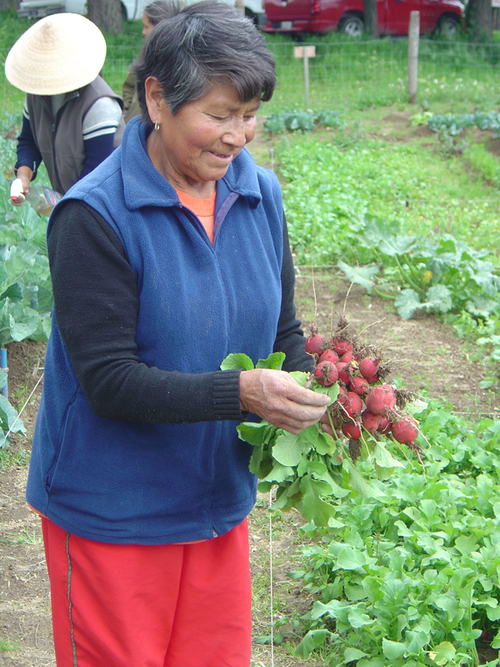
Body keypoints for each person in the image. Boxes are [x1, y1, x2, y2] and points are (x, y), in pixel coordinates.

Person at [26, 2, 330, 665]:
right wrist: (243, 392)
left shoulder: (259, 194)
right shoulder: (95, 215)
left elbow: (284, 329)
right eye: (217, 116)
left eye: (249, 114)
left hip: (215, 502)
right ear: (157, 100)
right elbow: (109, 381)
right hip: (113, 512)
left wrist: (323, 391)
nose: (237, 135)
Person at [5, 12, 125, 198]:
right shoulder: (36, 94)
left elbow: (97, 175)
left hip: (107, 204)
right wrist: (23, 176)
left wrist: (64, 208)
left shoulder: (99, 104)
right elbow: (29, 139)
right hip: (74, 200)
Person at [122, 0, 180, 124]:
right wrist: (126, 110)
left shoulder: (180, 60)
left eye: (146, 26)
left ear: (159, 27)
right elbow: (129, 85)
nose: (143, 31)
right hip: (136, 123)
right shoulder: (144, 54)